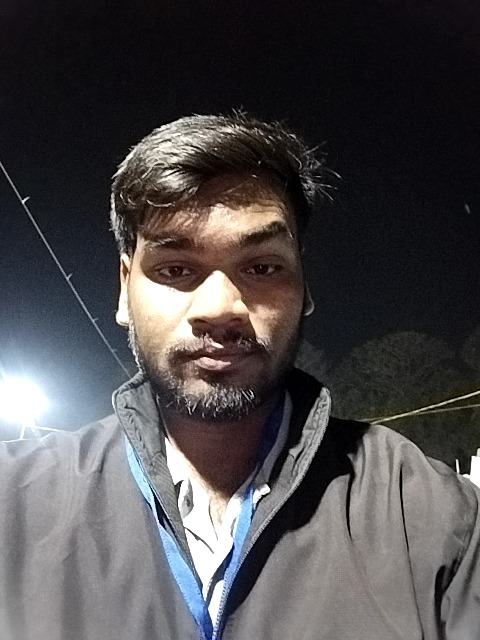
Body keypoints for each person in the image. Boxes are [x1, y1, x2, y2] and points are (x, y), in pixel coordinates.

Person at [0, 113, 479, 640]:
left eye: (262, 268)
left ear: (304, 289)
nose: (220, 307)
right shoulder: (13, 505)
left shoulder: (439, 521)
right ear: (123, 289)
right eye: (175, 269)